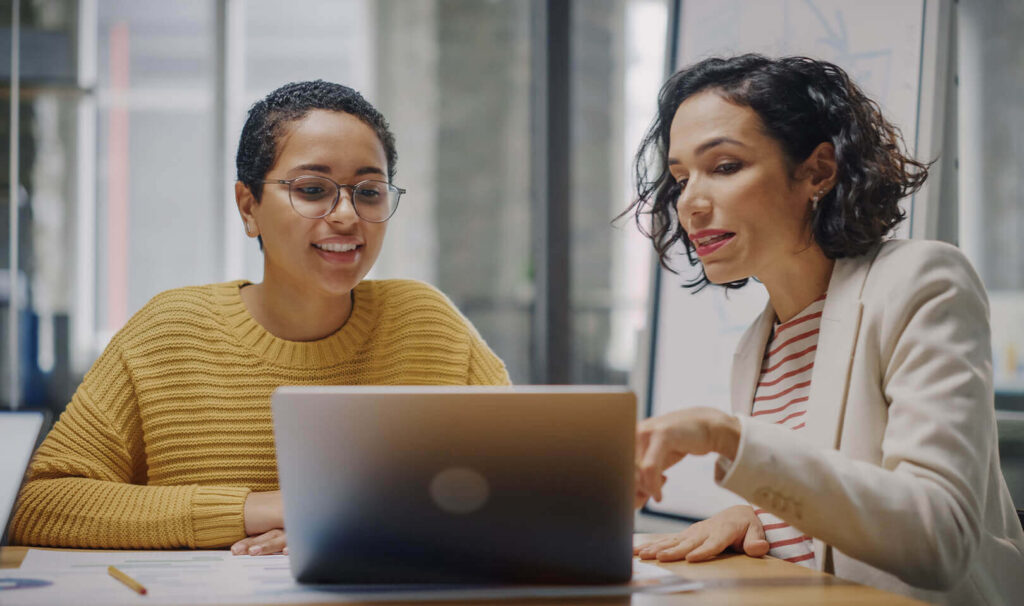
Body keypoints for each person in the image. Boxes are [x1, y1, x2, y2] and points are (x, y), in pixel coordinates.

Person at [10, 80, 509, 556]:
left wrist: (359, 520)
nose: (346, 215)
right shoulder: (169, 332)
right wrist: (262, 509)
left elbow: (519, 487)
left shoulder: (429, 324)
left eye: (369, 191)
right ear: (249, 207)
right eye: (313, 189)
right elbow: (41, 504)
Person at [626, 55, 1024, 605]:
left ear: (818, 171)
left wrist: (729, 438)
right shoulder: (756, 346)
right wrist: (759, 515)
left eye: (723, 166)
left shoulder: (923, 280)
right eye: (680, 177)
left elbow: (937, 538)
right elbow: (830, 501)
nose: (690, 202)